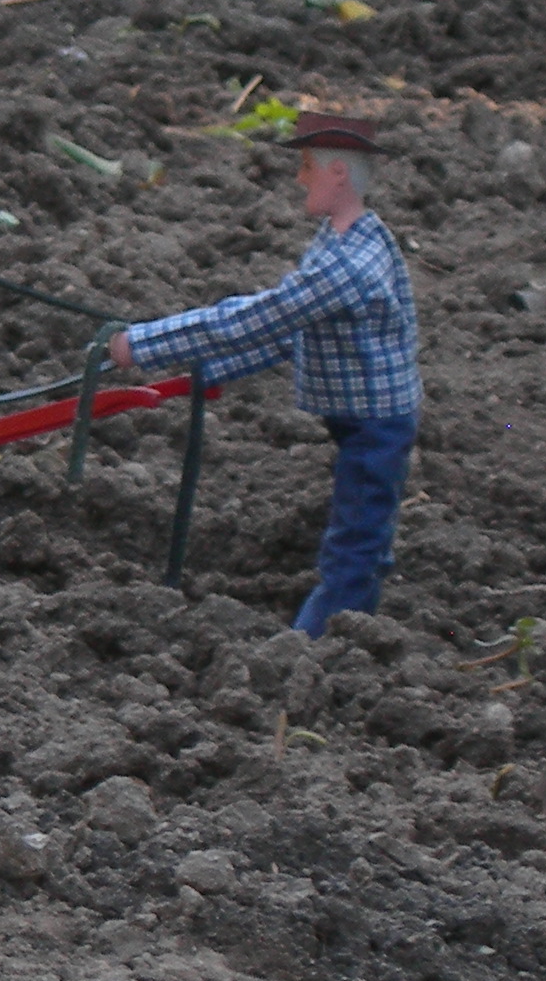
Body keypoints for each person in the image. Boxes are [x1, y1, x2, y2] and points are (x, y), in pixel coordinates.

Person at [108, 113, 421, 637]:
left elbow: (261, 318)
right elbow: (295, 333)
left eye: (306, 167)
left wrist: (144, 343)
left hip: (376, 424)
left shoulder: (347, 267)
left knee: (357, 542)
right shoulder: (346, 239)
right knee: (360, 530)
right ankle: (339, 625)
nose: (300, 178)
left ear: (338, 172)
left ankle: (320, 644)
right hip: (361, 415)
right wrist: (209, 370)